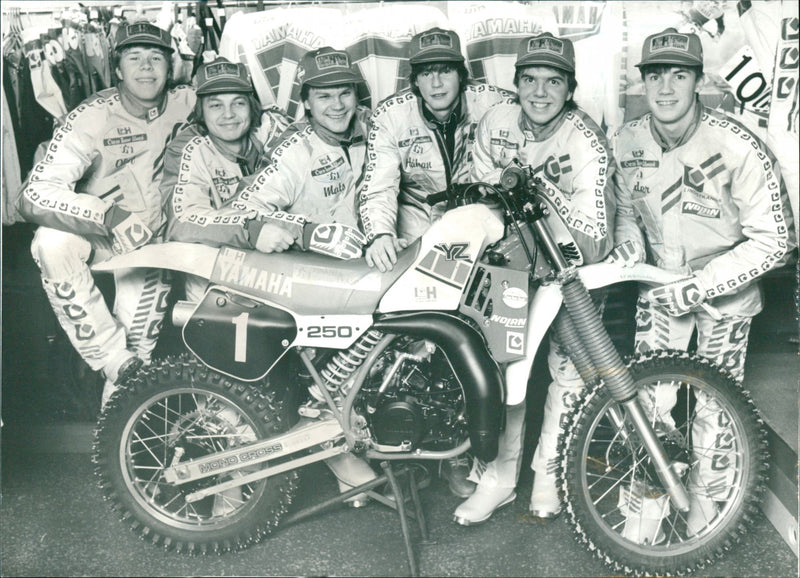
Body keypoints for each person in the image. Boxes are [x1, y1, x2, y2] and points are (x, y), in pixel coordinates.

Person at [608, 27, 795, 542]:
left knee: (716, 408)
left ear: (698, 81)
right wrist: (629, 242)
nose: (665, 87)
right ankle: (647, 506)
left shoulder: (738, 145)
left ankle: (706, 511)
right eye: (654, 75)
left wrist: (704, 284)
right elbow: (624, 211)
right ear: (641, 81)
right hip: (660, 289)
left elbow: (776, 240)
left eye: (679, 74)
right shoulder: (626, 141)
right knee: (647, 403)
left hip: (725, 294)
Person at [452, 33, 615, 526]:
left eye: (553, 81)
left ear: (570, 89)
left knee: (568, 375)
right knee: (503, 374)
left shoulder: (586, 138)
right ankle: (498, 480)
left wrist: (537, 193)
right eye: (530, 80)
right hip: (510, 266)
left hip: (571, 269)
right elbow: (474, 198)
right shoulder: (495, 120)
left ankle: (549, 475)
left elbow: (595, 238)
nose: (540, 92)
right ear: (516, 83)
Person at [357, 27, 516, 497]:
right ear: (415, 80)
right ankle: (413, 446)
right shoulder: (391, 115)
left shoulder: (495, 104)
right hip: (417, 237)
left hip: (484, 240)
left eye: (445, 70)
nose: (437, 82)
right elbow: (378, 183)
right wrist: (380, 232)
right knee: (419, 348)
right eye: (426, 73)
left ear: (460, 74)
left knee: (489, 345)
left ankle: (467, 455)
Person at [17, 22, 196, 409]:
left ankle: (123, 452)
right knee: (51, 242)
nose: (146, 68)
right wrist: (108, 216)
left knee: (139, 350)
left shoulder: (190, 100)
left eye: (156, 58)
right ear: (117, 69)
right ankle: (111, 359)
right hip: (102, 234)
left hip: (157, 243)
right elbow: (32, 195)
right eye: (135, 58)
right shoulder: (91, 116)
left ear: (171, 66)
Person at [234, 46, 375, 507]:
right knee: (327, 380)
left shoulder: (373, 130)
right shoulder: (294, 150)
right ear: (306, 102)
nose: (336, 105)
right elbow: (243, 211)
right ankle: (338, 458)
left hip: (366, 271)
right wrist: (307, 232)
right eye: (324, 96)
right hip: (312, 281)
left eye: (344, 94)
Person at [162, 56, 291, 302]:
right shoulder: (188, 147)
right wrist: (249, 230)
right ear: (200, 110)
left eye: (238, 103)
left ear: (251, 105)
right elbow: (181, 222)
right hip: (216, 264)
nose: (228, 115)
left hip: (278, 252)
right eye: (216, 105)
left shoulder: (269, 128)